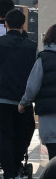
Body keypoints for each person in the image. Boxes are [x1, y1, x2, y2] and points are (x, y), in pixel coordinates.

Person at [0, 7, 37, 179]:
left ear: (5, 24)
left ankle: (8, 175)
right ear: (23, 24)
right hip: (24, 98)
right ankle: (18, 171)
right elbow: (38, 72)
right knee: (22, 135)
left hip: (1, 97)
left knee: (4, 135)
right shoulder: (32, 46)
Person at [19, 23, 56, 159]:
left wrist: (24, 103)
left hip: (49, 114)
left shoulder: (43, 59)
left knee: (53, 156)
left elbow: (32, 86)